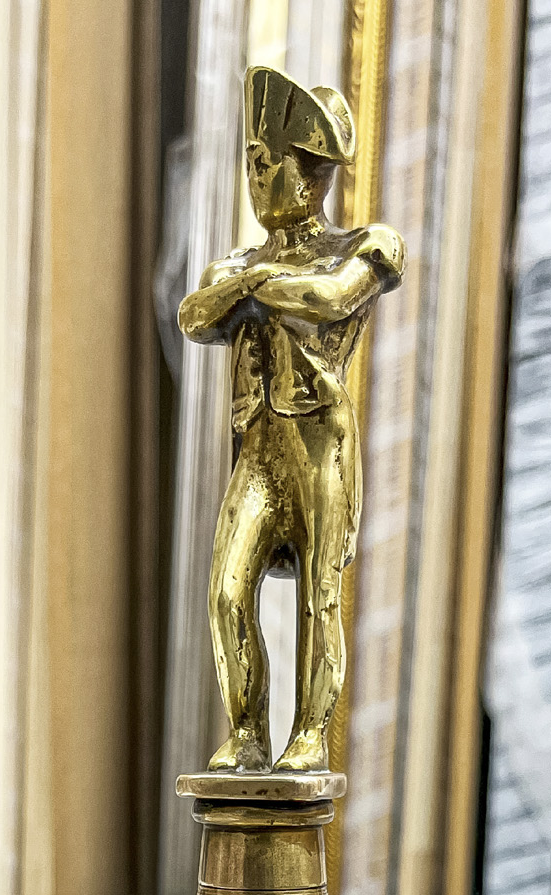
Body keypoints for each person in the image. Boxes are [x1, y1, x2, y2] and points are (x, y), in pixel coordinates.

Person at [177, 65, 405, 774]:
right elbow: (193, 316)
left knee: (320, 596)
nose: (255, 180)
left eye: (264, 165)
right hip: (259, 450)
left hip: (317, 445)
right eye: (251, 164)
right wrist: (251, 281)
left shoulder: (362, 246)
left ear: (308, 178)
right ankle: (247, 731)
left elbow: (331, 298)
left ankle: (310, 735)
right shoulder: (235, 266)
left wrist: (255, 286)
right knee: (226, 591)